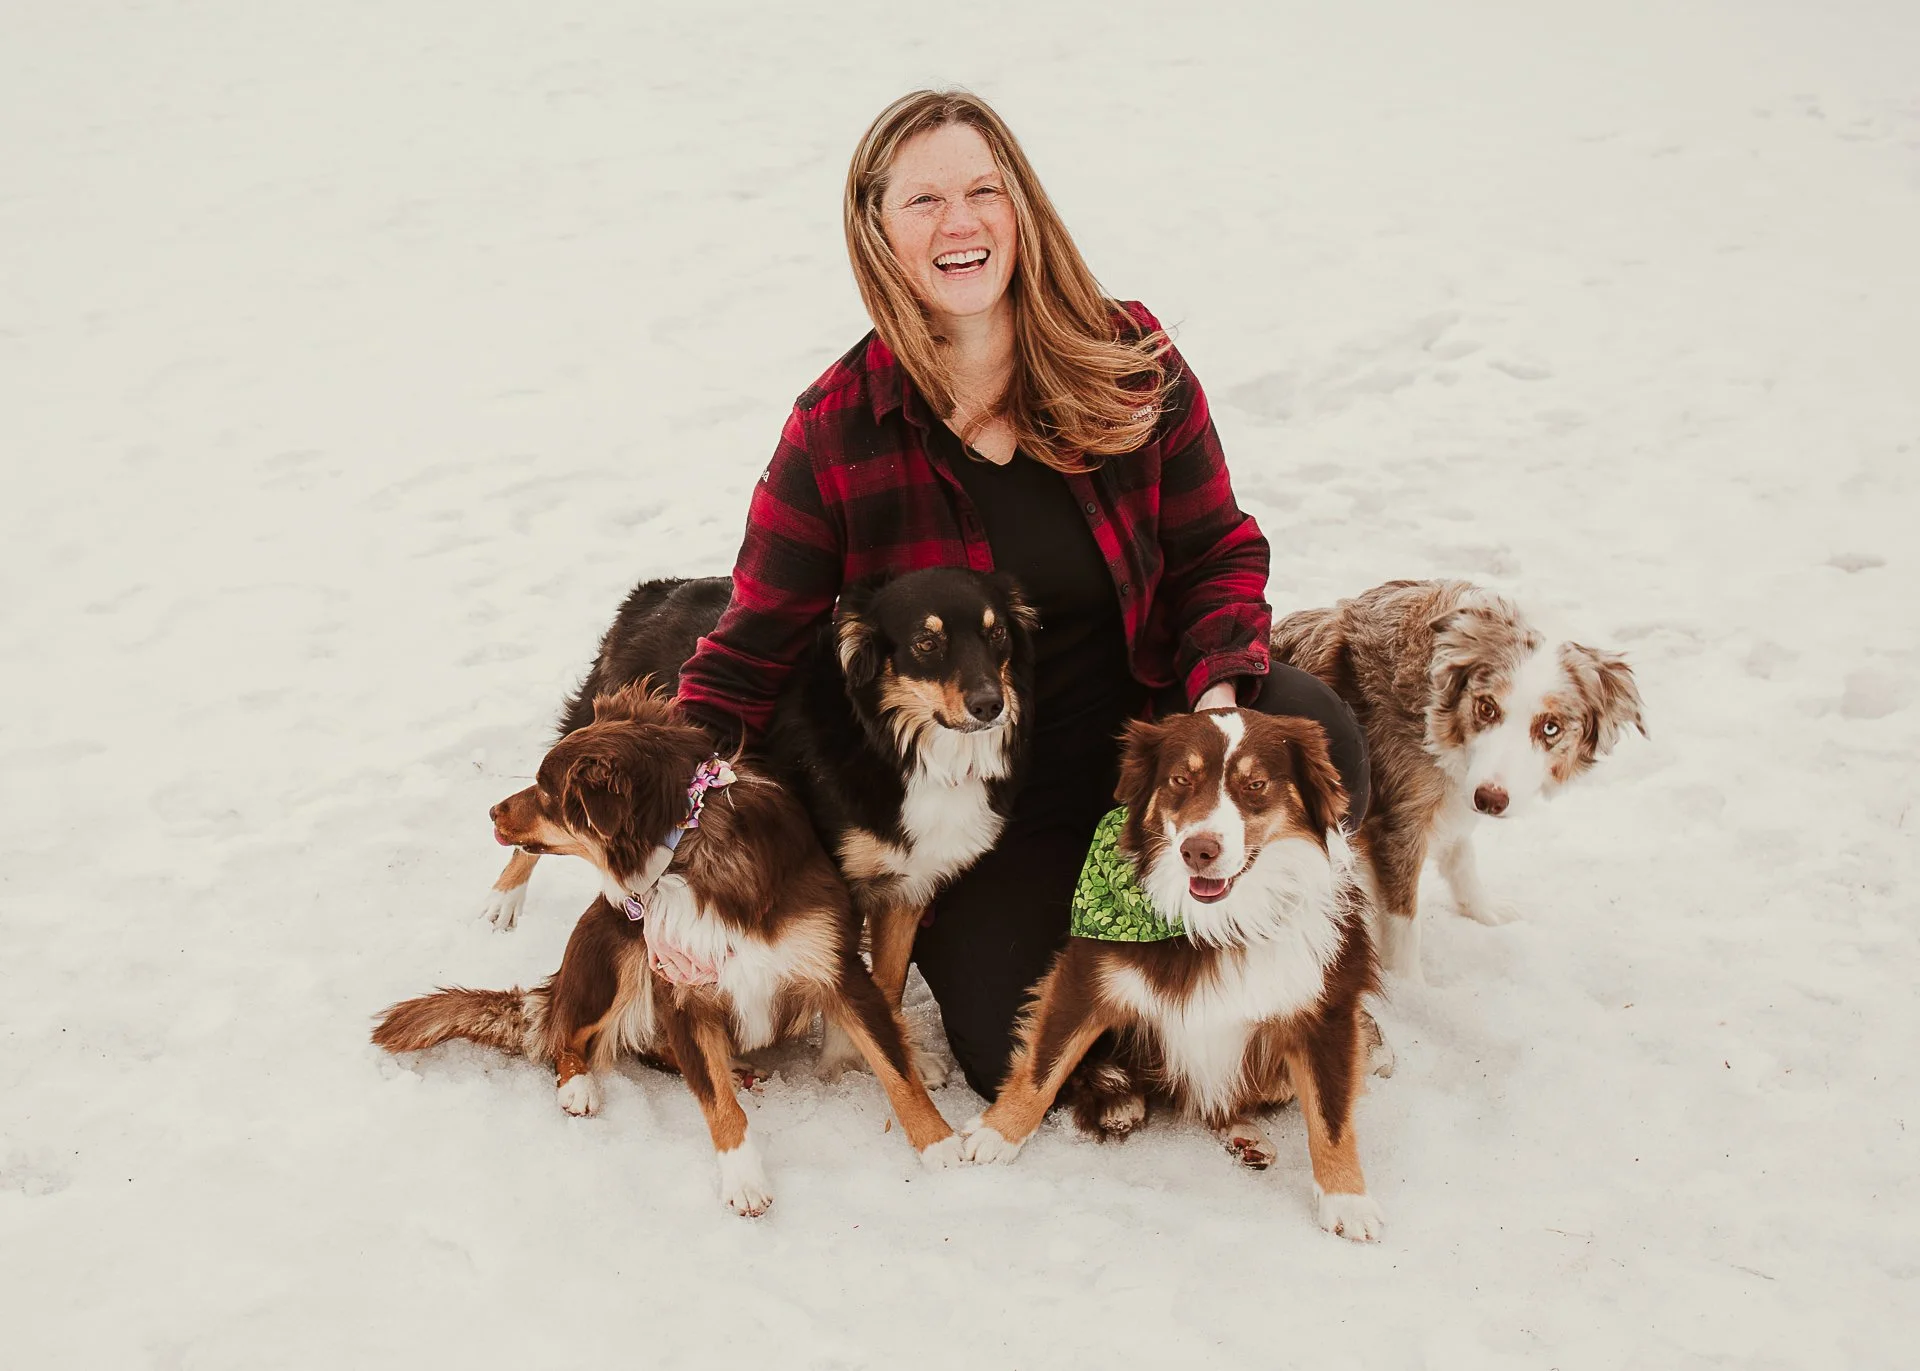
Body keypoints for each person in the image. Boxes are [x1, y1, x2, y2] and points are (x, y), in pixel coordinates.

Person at [674, 89, 1369, 1098]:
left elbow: (1217, 547)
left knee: (1319, 738)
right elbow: (750, 649)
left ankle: (1264, 953)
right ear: (877, 231)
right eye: (923, 202)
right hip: (993, 800)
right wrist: (666, 857)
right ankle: (1162, 995)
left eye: (983, 191)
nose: (961, 224)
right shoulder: (837, 429)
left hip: (1157, 741)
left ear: (1022, 207)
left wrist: (1217, 699)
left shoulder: (1129, 358)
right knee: (1017, 1045)